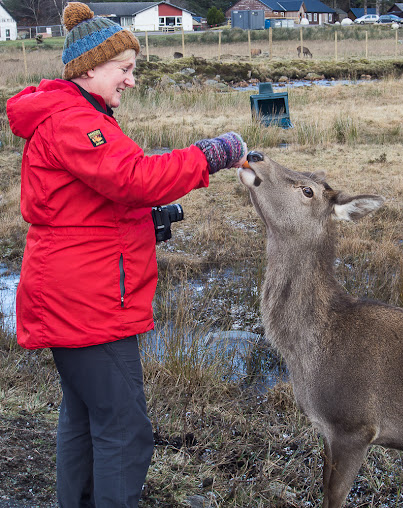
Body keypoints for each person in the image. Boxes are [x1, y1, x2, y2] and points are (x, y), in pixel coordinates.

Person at [6, 3, 247, 507]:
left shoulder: (74, 114)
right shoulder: (75, 120)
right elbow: (132, 178)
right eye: (125, 70)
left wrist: (142, 221)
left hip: (76, 294)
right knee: (123, 431)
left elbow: (94, 203)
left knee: (86, 419)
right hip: (88, 306)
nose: (131, 82)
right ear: (91, 67)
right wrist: (212, 153)